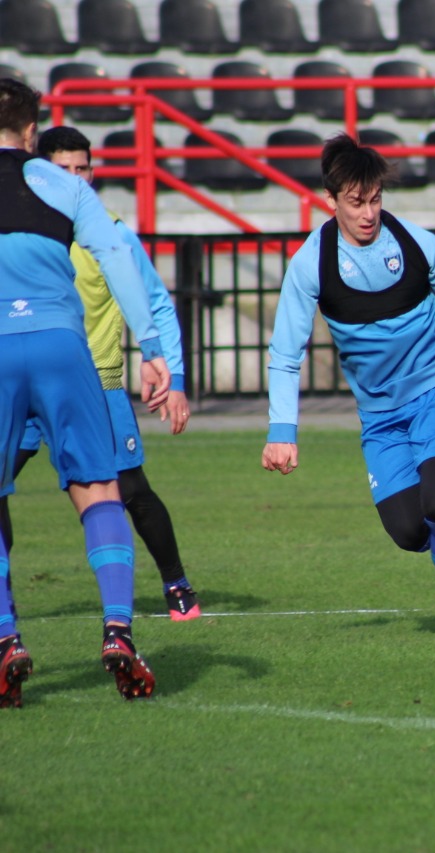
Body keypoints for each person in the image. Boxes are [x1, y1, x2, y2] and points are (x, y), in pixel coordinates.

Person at [261, 133, 435, 644]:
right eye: (356, 203)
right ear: (331, 202)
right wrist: (282, 430)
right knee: (410, 531)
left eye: (375, 200)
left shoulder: (415, 242)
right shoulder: (311, 263)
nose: (368, 213)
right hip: (380, 415)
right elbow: (286, 354)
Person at [0, 79, 171, 706]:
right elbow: (118, 256)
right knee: (99, 486)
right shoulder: (64, 184)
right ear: (31, 132)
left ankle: (4, 640)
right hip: (61, 343)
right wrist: (152, 348)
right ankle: (119, 630)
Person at [0, 126, 201, 623]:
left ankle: (176, 584)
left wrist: (172, 375)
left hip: (97, 382)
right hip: (43, 371)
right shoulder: (33, 221)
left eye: (83, 168)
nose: (75, 178)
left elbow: (154, 298)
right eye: (65, 169)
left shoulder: (107, 227)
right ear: (37, 167)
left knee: (130, 488)